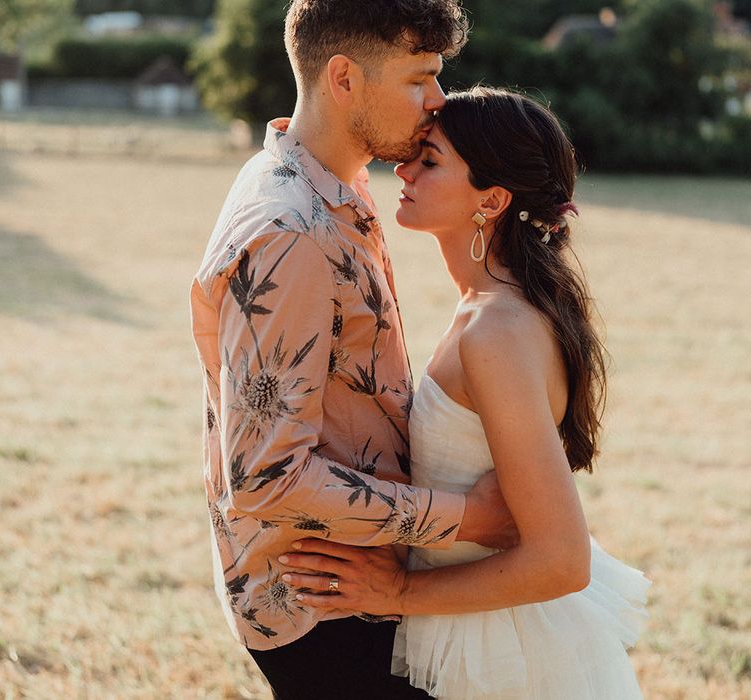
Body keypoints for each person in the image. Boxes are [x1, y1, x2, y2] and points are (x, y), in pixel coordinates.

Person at [190, 3, 518, 698]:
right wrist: (467, 518)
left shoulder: (322, 180)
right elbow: (266, 477)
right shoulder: (293, 232)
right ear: (344, 78)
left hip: (351, 579)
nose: (438, 102)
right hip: (325, 601)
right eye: (420, 79)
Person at [280, 87, 651, 699]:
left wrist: (398, 592)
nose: (402, 170)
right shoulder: (493, 309)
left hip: (504, 652)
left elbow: (561, 559)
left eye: (430, 161)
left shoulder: (496, 331)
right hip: (474, 620)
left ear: (492, 201)